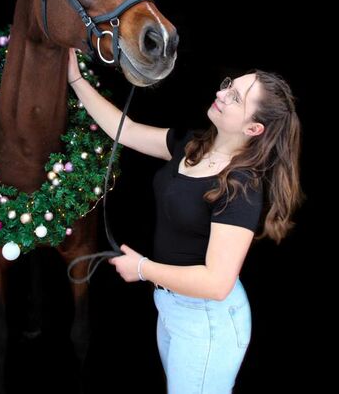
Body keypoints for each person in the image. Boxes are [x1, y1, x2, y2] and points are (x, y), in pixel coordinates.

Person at [67, 49, 303, 394]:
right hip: (172, 307)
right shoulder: (194, 145)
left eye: (235, 97)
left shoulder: (240, 187)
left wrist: (143, 269)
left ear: (254, 128)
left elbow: (217, 283)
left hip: (206, 321)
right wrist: (75, 79)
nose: (221, 93)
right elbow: (127, 131)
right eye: (228, 85)